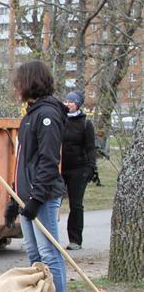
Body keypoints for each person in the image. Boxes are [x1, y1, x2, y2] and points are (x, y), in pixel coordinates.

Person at [4, 60, 67, 292]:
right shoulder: (30, 115)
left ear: (30, 82)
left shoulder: (48, 116)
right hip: (27, 197)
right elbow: (22, 162)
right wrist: (14, 199)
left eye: (18, 81)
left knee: (50, 256)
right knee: (34, 258)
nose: (15, 86)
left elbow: (48, 161)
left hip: (43, 197)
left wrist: (36, 199)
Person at [61, 90, 96, 250]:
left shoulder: (85, 124)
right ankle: (49, 238)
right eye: (66, 101)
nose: (68, 104)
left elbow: (90, 148)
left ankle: (75, 240)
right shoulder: (59, 120)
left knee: (76, 205)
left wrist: (90, 168)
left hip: (78, 169)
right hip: (59, 168)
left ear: (78, 105)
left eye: (71, 102)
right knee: (52, 203)